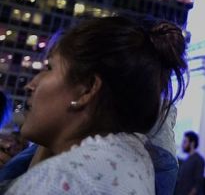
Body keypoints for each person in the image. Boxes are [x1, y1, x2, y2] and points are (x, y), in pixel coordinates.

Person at [4, 16, 187, 195]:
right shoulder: (137, 164)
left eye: (49, 68)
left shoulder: (59, 179)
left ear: (88, 89)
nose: (30, 85)